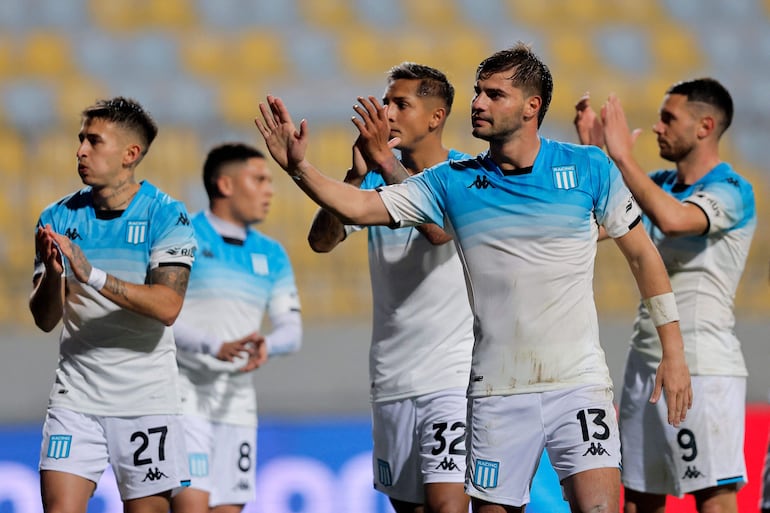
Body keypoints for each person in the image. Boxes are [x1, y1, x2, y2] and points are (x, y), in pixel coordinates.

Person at [255, 42, 693, 513]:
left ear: (532, 106)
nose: (478, 103)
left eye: (493, 95)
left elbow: (642, 256)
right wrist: (299, 167)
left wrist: (674, 351)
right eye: (477, 93)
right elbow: (356, 206)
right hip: (494, 391)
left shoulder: (587, 167)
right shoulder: (454, 181)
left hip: (576, 381)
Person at [574, 79, 755, 513]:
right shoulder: (654, 184)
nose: (657, 127)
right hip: (644, 366)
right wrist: (597, 162)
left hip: (703, 367)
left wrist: (621, 158)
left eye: (669, 118)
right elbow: (587, 230)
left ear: (705, 126)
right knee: (637, 499)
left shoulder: (732, 189)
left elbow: (673, 220)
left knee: (713, 498)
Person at [307, 63, 474, 513]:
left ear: (436, 117)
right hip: (393, 377)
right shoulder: (375, 185)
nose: (387, 113)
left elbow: (441, 230)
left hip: (454, 376)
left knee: (448, 505)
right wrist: (357, 176)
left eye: (401, 104)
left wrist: (385, 161)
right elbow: (321, 242)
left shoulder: (466, 174)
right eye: (386, 102)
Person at [29, 97, 196, 513]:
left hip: (145, 400)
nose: (80, 150)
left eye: (94, 141)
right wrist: (54, 275)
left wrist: (93, 275)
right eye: (80, 139)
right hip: (76, 397)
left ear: (130, 154)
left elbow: (168, 306)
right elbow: (45, 319)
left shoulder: (167, 216)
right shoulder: (57, 217)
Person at [169, 142, 302, 513]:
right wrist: (214, 345)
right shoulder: (182, 237)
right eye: (259, 179)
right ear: (225, 185)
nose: (269, 189)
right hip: (184, 395)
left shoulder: (272, 253)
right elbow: (160, 316)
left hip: (238, 401)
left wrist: (267, 344)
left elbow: (291, 330)